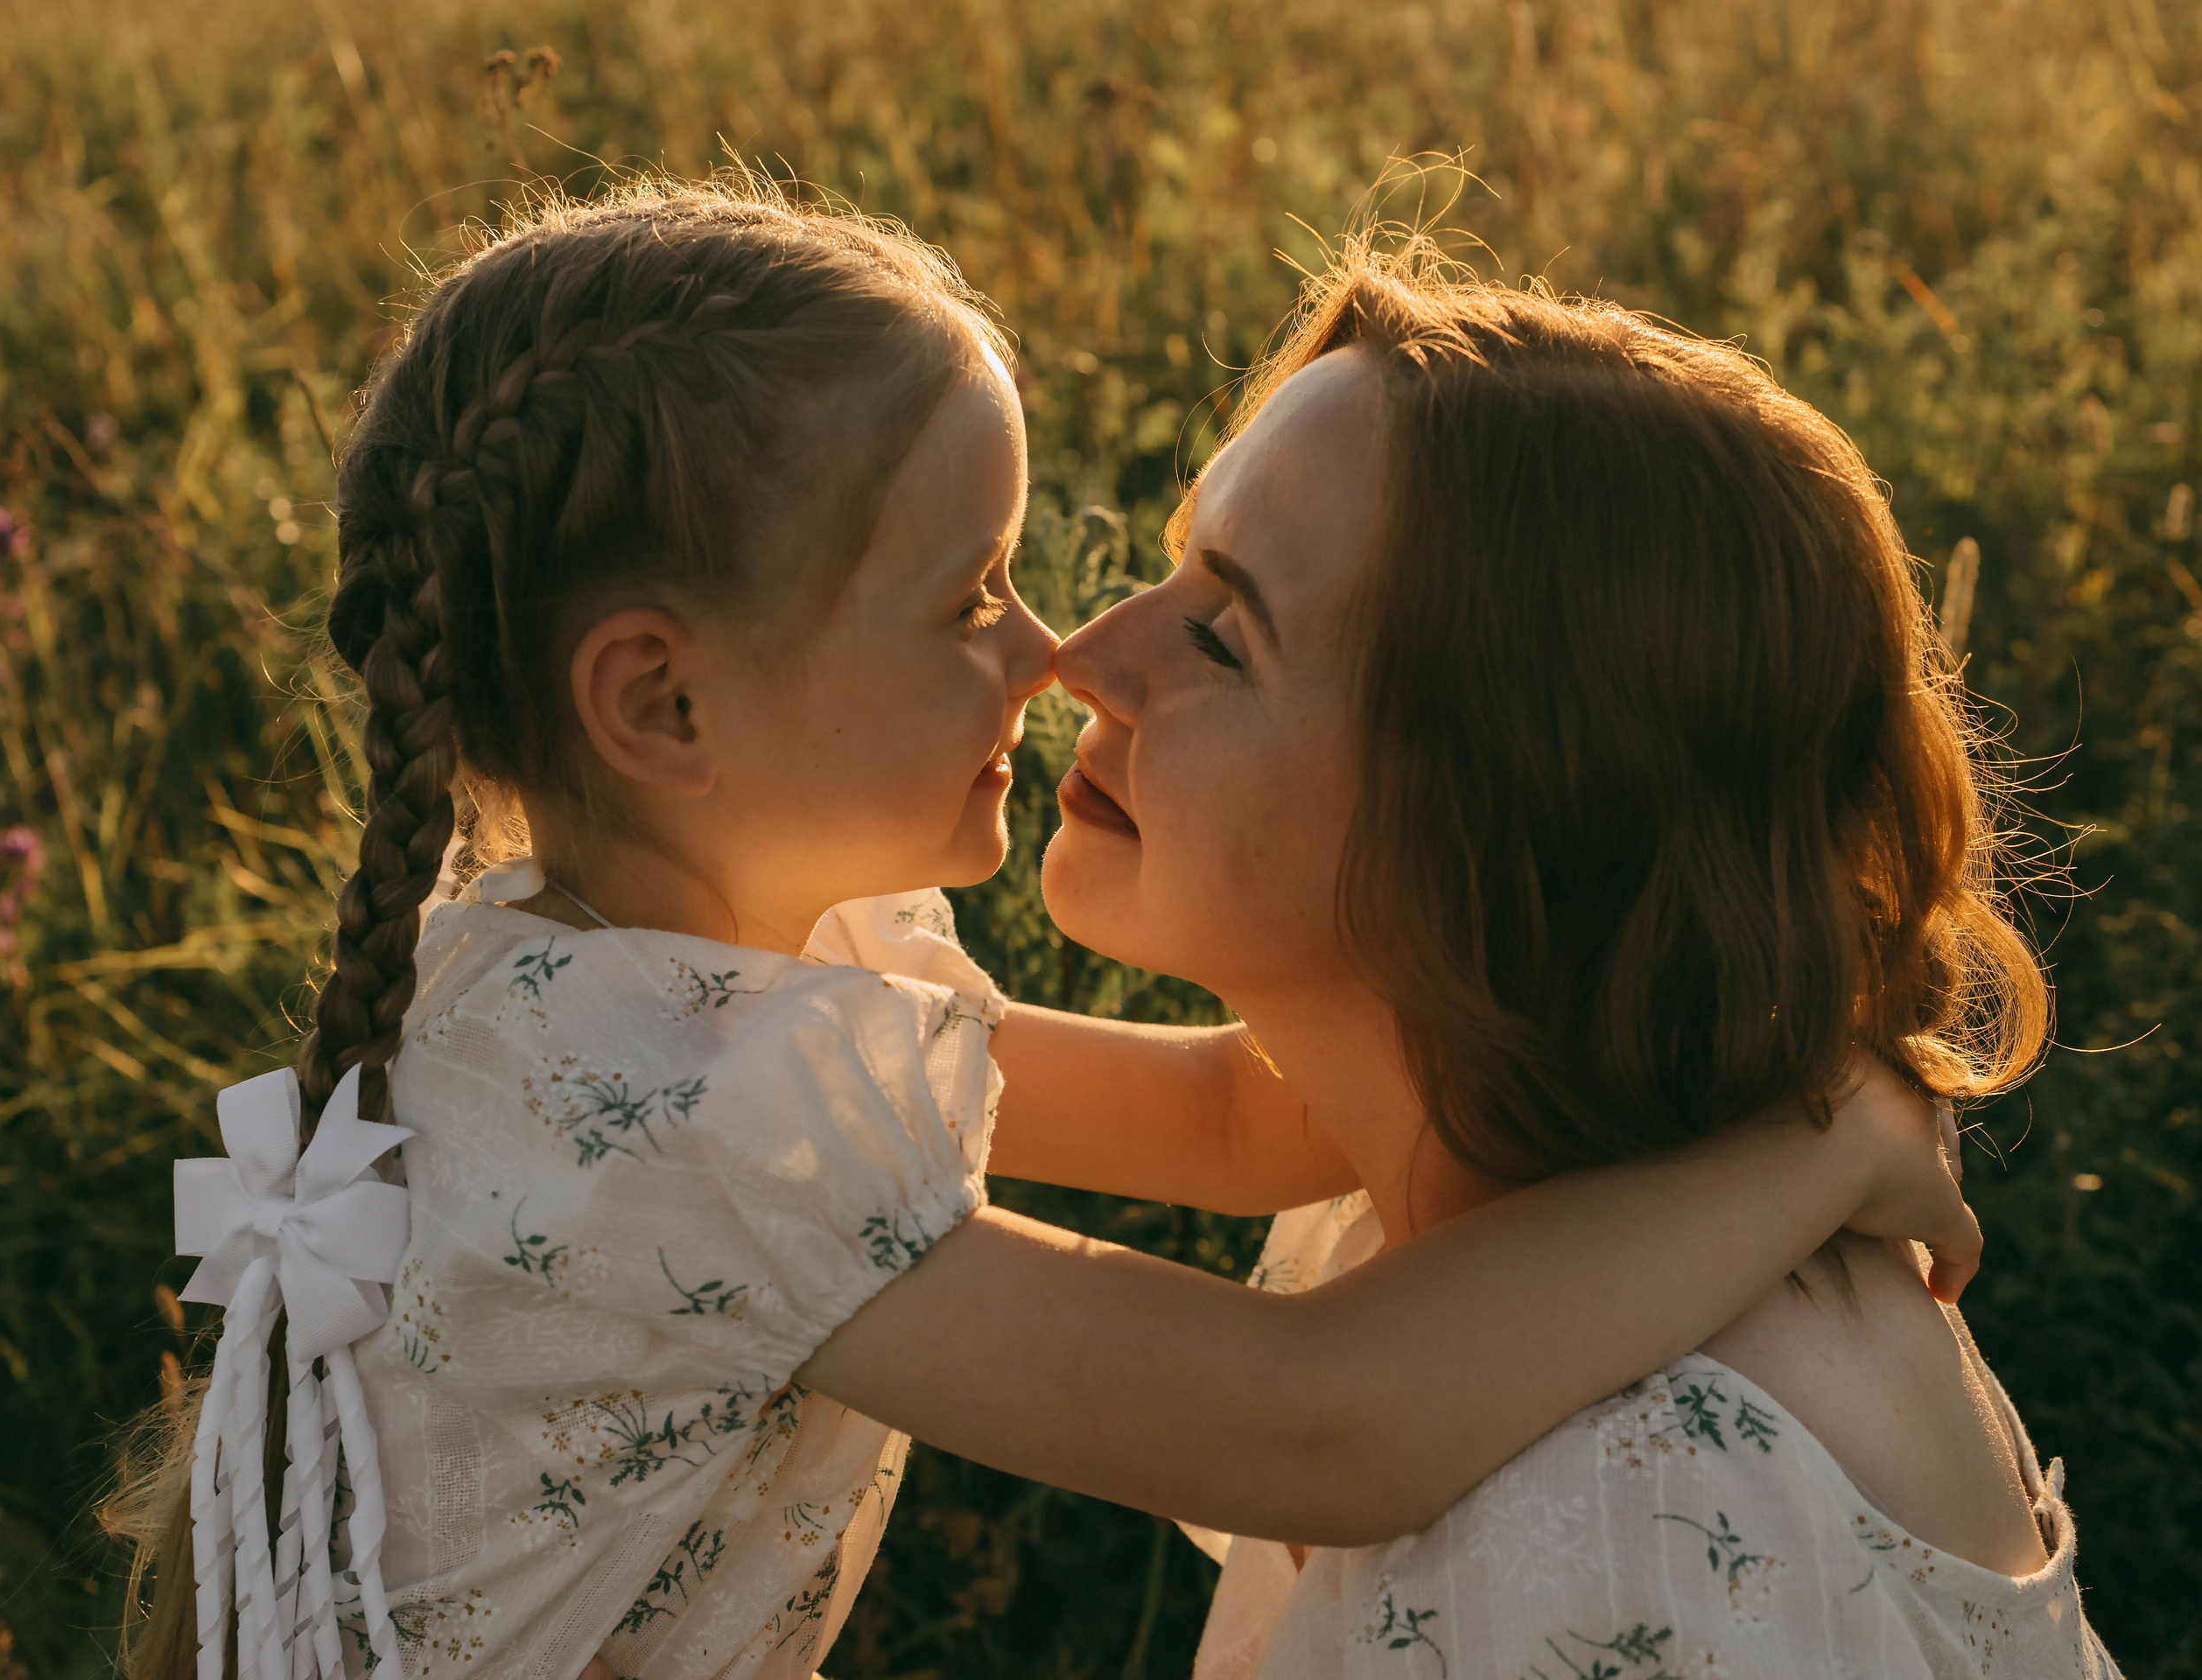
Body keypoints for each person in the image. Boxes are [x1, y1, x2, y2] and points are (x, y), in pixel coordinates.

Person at [105, 179, 1978, 1680]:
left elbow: (1246, 1127)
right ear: (663, 709)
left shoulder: (678, 982)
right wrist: (1819, 1149)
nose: (1055, 652)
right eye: (966, 599)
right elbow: (1323, 1429)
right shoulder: (666, 1103)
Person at [1035, 242, 2121, 1676]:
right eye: (1173, 569)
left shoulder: (1617, 1533)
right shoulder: (1520, 1202)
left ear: (1497, 823)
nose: (1086, 655)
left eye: (1226, 639)